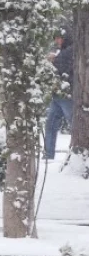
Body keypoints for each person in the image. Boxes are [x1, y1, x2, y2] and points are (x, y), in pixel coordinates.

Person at [44, 27, 74, 160]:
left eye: (59, 38)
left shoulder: (71, 50)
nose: (57, 41)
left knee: (75, 125)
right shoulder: (61, 51)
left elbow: (63, 65)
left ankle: (79, 152)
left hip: (68, 95)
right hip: (57, 95)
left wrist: (53, 60)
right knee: (50, 124)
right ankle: (48, 154)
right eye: (55, 38)